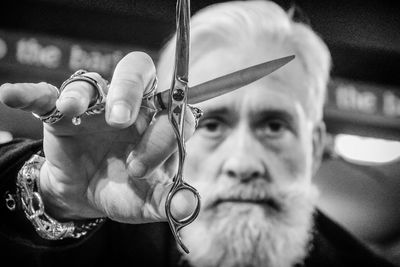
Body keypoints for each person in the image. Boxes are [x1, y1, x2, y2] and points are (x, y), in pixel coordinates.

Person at [0, 1, 395, 266]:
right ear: (168, 129)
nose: (243, 163)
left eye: (274, 126)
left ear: (312, 145)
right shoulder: (98, 249)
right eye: (209, 123)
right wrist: (52, 197)